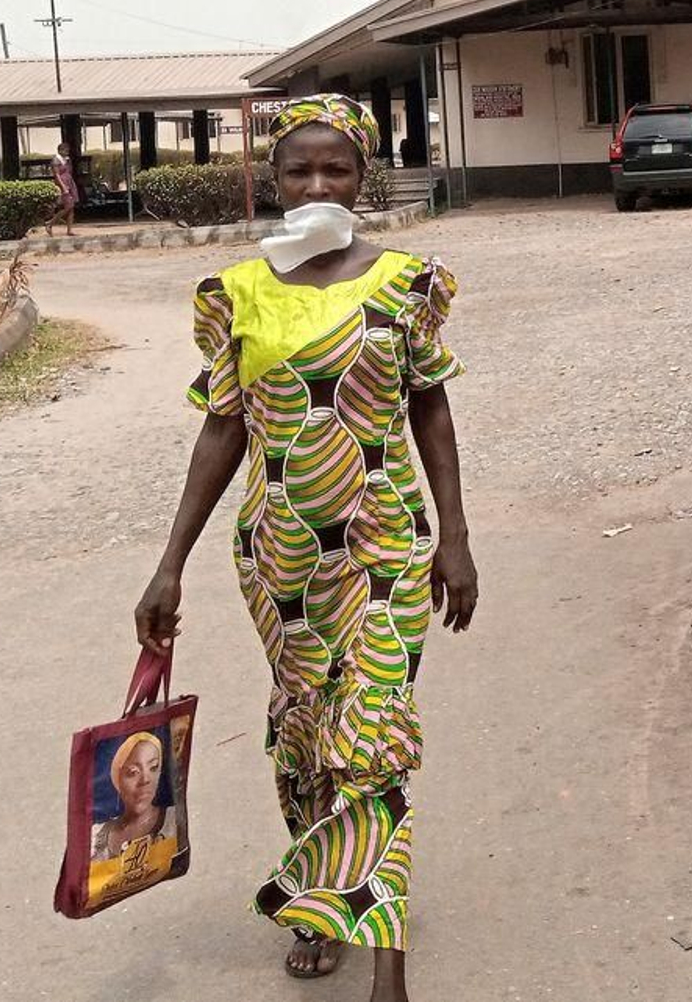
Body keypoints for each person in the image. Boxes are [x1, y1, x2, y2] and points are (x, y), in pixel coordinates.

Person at [134, 94, 477, 1002]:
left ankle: (387, 963)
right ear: (274, 181)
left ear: (364, 176)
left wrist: (457, 536)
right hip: (278, 561)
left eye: (337, 168)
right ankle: (322, 901)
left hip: (386, 548)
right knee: (307, 731)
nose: (317, 182)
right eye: (299, 169)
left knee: (375, 730)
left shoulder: (408, 281)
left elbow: (430, 406)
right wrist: (169, 562)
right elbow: (222, 431)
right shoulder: (237, 294)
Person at [91, 730, 177, 862]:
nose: (145, 780)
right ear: (117, 780)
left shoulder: (175, 819)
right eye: (133, 772)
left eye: (153, 768)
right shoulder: (96, 835)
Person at [46, 142, 78, 236]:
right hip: (62, 183)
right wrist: (63, 186)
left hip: (69, 182)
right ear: (60, 151)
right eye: (65, 151)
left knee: (71, 208)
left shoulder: (67, 160)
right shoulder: (56, 160)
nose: (67, 153)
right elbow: (57, 175)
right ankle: (50, 223)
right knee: (68, 206)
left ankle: (69, 229)